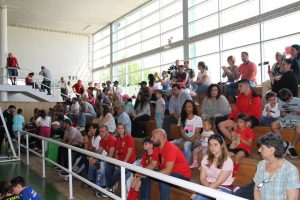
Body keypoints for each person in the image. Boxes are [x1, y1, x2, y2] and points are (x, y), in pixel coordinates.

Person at [253, 133, 300, 199]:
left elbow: (292, 199)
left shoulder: (290, 170)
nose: (259, 150)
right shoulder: (261, 165)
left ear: (272, 150)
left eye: (262, 147)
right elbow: (257, 190)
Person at [151, 129, 191, 200]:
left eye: (153, 137)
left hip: (182, 174)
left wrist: (152, 173)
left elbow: (167, 171)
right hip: (169, 171)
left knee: (164, 180)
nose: (151, 139)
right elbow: (152, 164)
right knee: (144, 176)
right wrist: (142, 172)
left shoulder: (170, 148)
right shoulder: (156, 148)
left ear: (160, 138)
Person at [191, 135, 234, 200]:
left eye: (215, 145)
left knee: (198, 198)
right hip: (208, 185)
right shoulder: (206, 158)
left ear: (222, 146)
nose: (212, 147)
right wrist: (209, 190)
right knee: (198, 198)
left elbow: (218, 182)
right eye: (210, 145)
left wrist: (201, 192)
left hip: (224, 187)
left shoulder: (228, 161)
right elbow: (202, 179)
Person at [106, 123, 136, 192]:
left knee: (118, 171)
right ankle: (111, 186)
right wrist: (116, 163)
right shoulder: (118, 139)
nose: (120, 130)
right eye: (119, 128)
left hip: (128, 162)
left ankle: (109, 186)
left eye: (122, 128)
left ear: (124, 129)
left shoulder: (129, 138)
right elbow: (116, 152)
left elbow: (130, 151)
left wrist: (124, 163)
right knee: (108, 167)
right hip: (120, 162)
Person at [271, 88, 300, 158]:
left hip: (297, 120)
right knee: (273, 125)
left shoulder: (298, 100)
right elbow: (281, 113)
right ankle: (284, 144)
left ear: (291, 96)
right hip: (285, 119)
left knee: (299, 130)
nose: (286, 102)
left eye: (288, 100)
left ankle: (291, 147)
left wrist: (297, 112)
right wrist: (282, 113)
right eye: (285, 101)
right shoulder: (280, 100)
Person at [172, 100, 203, 164]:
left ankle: (186, 167)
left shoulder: (198, 118)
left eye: (189, 106)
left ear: (193, 107)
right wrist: (185, 141)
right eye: (186, 107)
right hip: (185, 139)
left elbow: (196, 134)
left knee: (186, 145)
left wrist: (187, 142)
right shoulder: (181, 119)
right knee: (171, 143)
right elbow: (183, 134)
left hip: (195, 139)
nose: (187, 108)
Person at [228, 113, 254, 177]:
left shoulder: (249, 131)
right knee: (227, 155)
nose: (239, 124)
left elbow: (249, 144)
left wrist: (241, 139)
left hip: (245, 149)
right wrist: (233, 137)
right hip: (236, 148)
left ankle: (234, 172)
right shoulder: (236, 131)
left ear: (246, 122)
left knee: (237, 156)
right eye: (237, 122)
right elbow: (234, 143)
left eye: (241, 122)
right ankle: (227, 170)